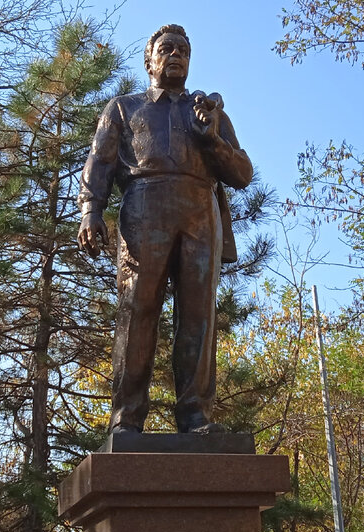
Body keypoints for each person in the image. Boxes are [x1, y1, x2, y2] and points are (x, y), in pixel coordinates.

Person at [77, 24, 253, 434]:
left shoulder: (207, 111)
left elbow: (242, 174)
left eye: (184, 51)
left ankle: (195, 414)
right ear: (150, 59)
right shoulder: (123, 108)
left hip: (199, 212)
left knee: (198, 316)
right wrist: (90, 211)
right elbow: (99, 162)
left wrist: (212, 139)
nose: (176, 55)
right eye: (167, 48)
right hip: (144, 207)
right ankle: (127, 417)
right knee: (138, 309)